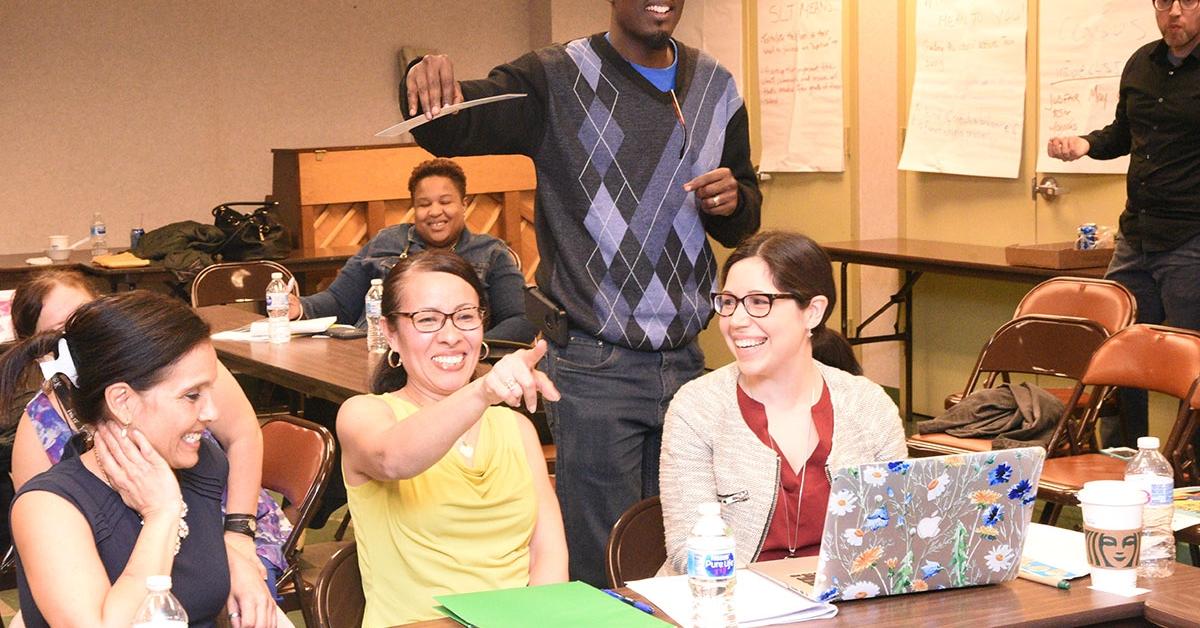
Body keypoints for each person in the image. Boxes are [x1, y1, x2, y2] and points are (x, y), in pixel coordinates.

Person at [401, 0, 762, 585]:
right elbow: (450, 123)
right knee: (602, 562)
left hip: (689, 361)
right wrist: (421, 77)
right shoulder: (554, 77)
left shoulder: (716, 85)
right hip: (594, 365)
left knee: (689, 550)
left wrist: (734, 199)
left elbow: (741, 218)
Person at [8, 271, 285, 627]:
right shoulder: (48, 507)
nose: (212, 412)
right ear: (122, 401)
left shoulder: (201, 464)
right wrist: (162, 514)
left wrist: (233, 558)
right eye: (191, 395)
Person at [336, 249, 566, 625]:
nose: (451, 336)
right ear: (391, 333)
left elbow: (548, 557)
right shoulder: (365, 414)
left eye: (464, 317)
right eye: (427, 319)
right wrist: (482, 392)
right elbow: (393, 458)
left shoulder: (516, 430)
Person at [659, 231, 907, 573]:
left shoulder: (868, 406)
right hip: (727, 602)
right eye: (728, 302)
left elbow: (896, 537)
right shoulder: (697, 408)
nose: (737, 321)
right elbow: (686, 552)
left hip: (844, 602)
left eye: (759, 302)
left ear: (812, 312)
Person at [1046, 0, 1200, 447]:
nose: (1174, 12)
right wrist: (1085, 144)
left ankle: (1189, 477)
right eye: (1163, 2)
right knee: (1121, 356)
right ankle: (1123, 457)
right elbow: (1121, 134)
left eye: (1187, 1)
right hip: (1136, 235)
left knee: (1190, 365)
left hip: (1190, 238)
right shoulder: (1141, 63)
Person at [289, 157, 536, 344]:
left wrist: (472, 349)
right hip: (373, 355)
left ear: (463, 204)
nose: (435, 212)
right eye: (424, 204)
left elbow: (521, 320)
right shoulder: (387, 241)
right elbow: (339, 302)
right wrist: (301, 307)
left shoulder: (491, 254)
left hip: (452, 364)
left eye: (445, 202)